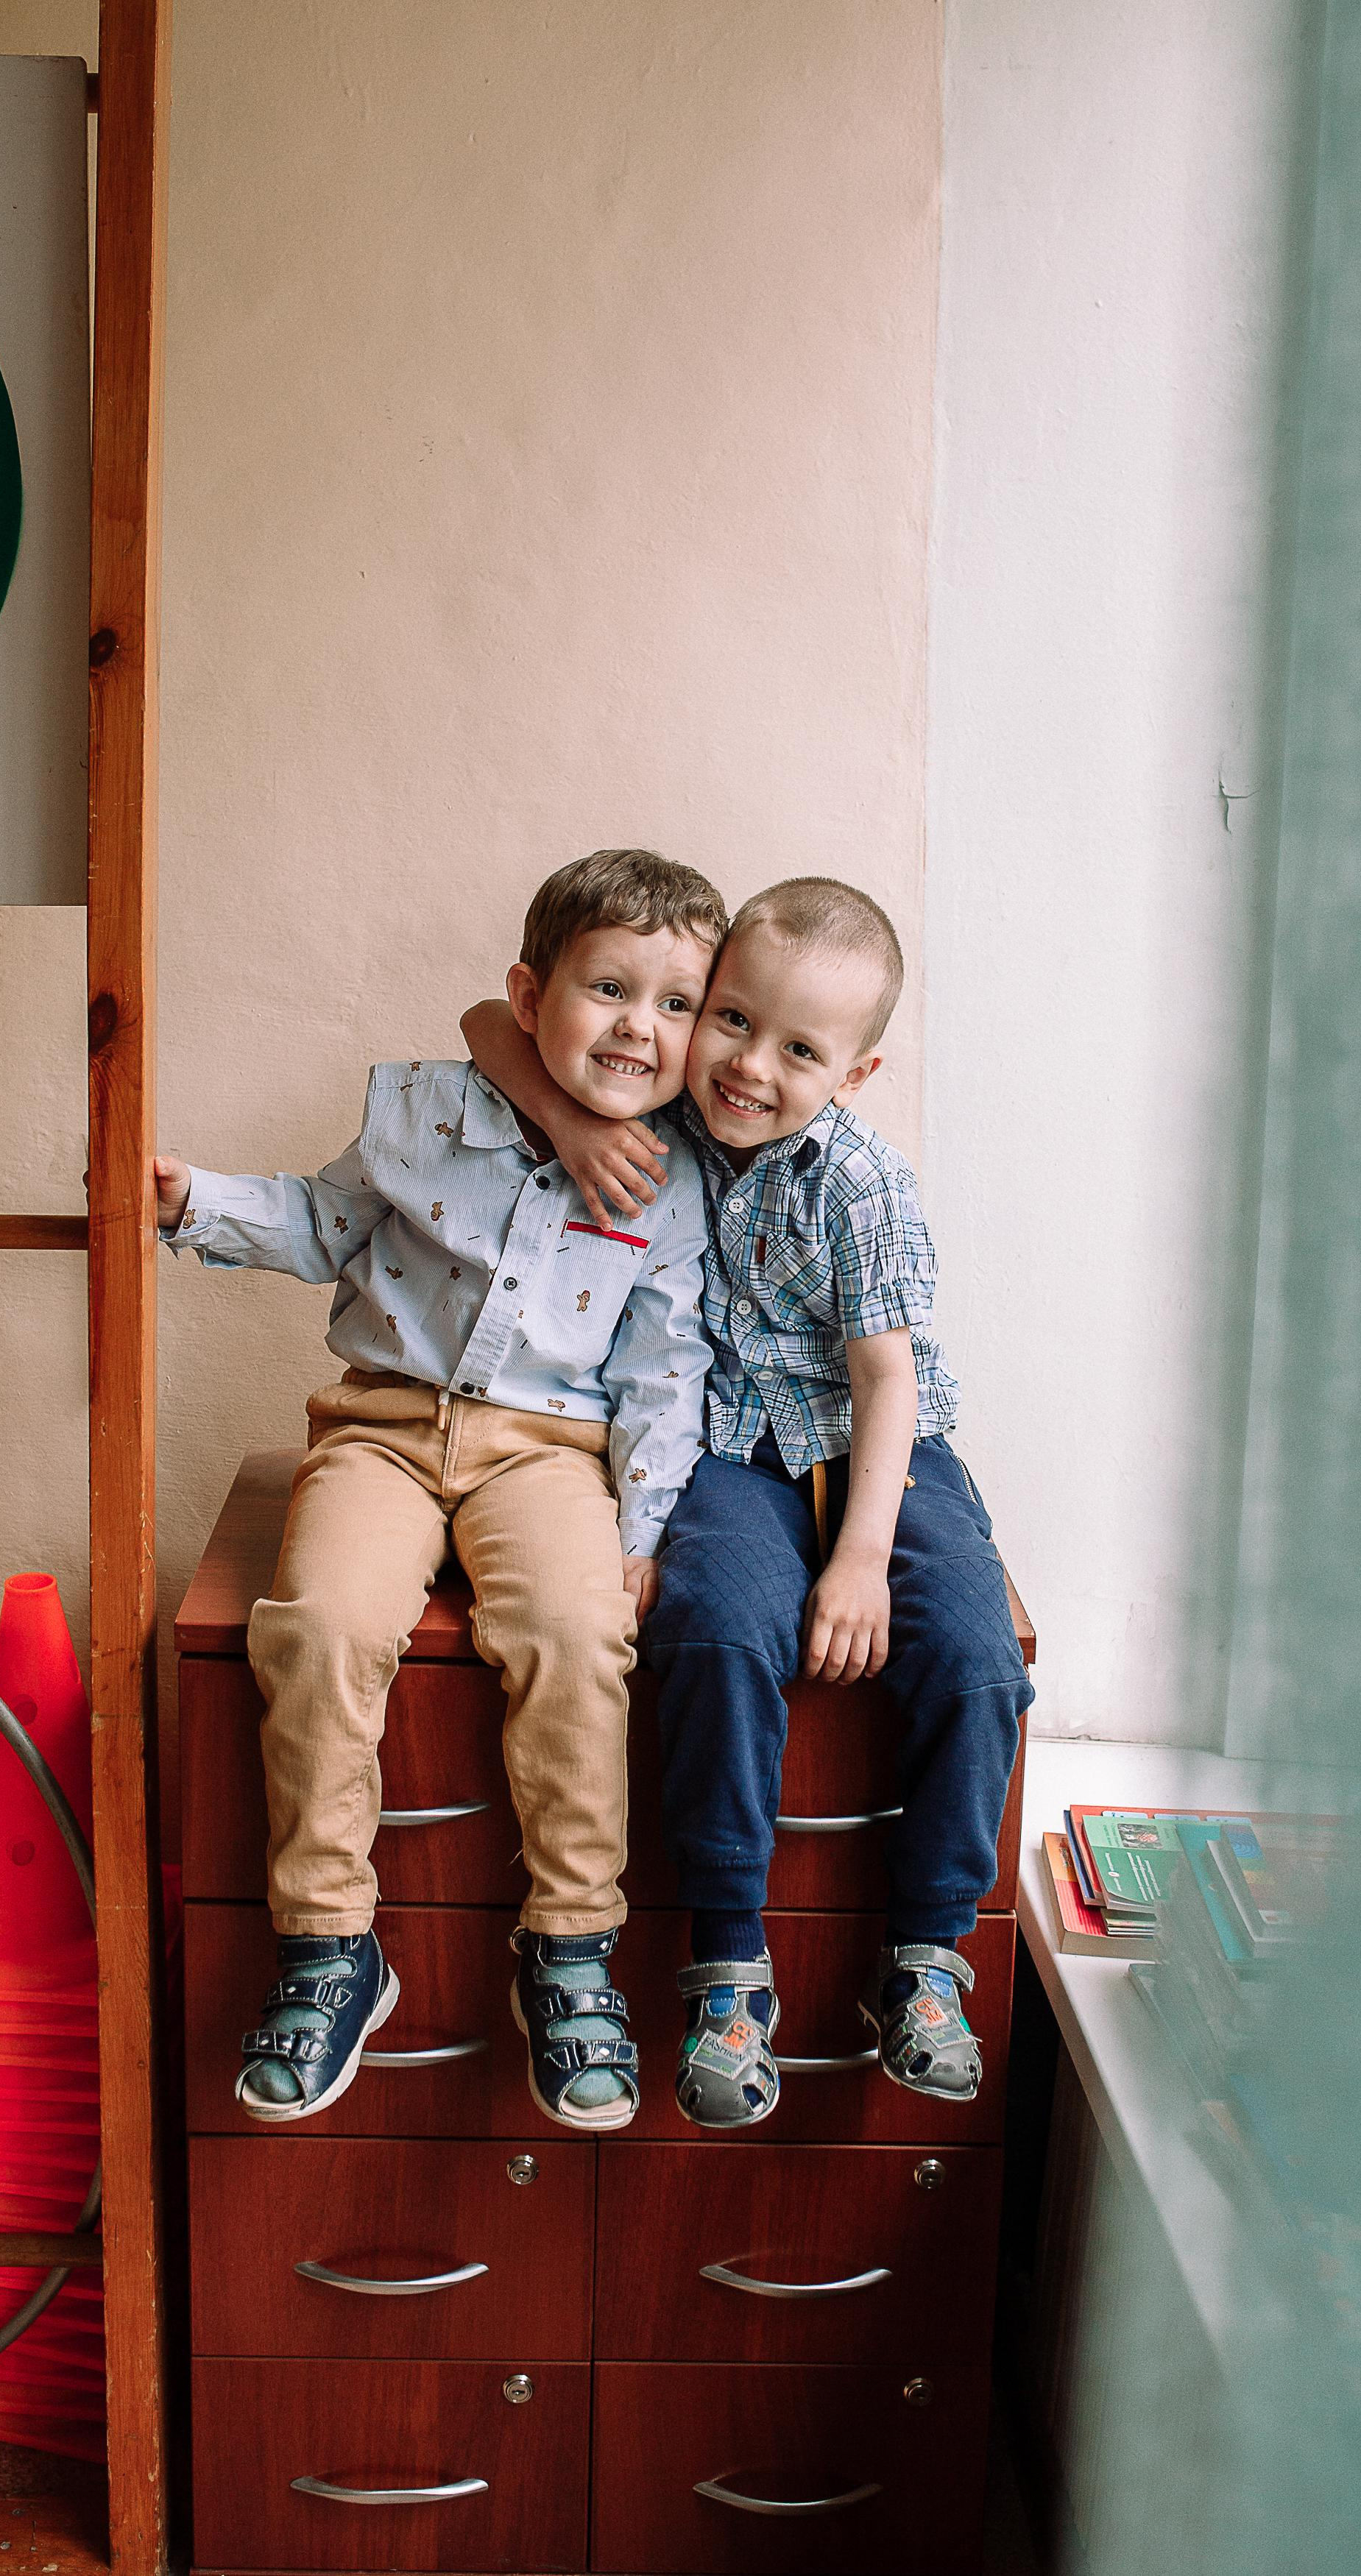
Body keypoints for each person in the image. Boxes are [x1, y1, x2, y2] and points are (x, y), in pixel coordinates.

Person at [160, 849, 724, 2131]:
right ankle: (328, 1945)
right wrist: (193, 1200)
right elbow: (322, 1225)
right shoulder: (421, 1111)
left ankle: (571, 1945)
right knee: (320, 1629)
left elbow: (664, 1371)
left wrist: (638, 1533)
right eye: (609, 988)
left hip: (549, 1451)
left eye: (676, 1002)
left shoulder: (676, 1178)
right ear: (530, 997)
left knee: (581, 1636)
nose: (641, 1027)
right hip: (383, 1430)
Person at [463, 876, 1033, 2129]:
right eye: (730, 1021)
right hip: (727, 1449)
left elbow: (886, 1380)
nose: (747, 1067)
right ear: (705, 1000)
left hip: (881, 1448)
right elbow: (482, 1022)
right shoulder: (654, 1105)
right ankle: (728, 1961)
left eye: (799, 1050)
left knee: (981, 1656)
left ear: (858, 1070)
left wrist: (862, 1561)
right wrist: (564, 1126)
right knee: (712, 1633)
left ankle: (928, 1953)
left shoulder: (858, 1182)